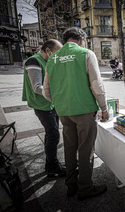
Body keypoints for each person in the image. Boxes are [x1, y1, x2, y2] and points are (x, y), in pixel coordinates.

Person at [43, 27, 109, 200]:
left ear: (66, 40)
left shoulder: (52, 58)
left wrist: (61, 102)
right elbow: (97, 85)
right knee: (86, 149)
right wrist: (104, 108)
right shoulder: (86, 54)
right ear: (81, 39)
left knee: (70, 147)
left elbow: (46, 92)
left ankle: (71, 184)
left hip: (64, 111)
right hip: (84, 110)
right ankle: (85, 187)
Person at [22, 39, 65, 177]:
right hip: (42, 105)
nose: (58, 56)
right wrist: (56, 95)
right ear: (48, 50)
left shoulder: (49, 61)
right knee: (53, 135)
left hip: (51, 103)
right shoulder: (33, 61)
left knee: (51, 134)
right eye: (57, 53)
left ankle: (50, 164)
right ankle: (52, 166)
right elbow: (36, 87)